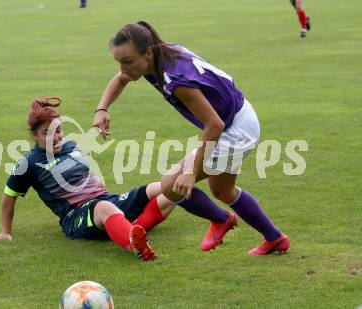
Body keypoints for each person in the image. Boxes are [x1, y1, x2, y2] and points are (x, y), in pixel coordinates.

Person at [93, 21, 290, 255]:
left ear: (147, 52)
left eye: (127, 62)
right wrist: (102, 108)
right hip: (239, 116)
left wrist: (191, 171)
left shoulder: (175, 80)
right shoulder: (156, 57)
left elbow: (214, 125)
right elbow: (121, 79)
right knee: (223, 191)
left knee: (171, 186)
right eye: (119, 63)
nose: (123, 69)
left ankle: (221, 220)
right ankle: (275, 238)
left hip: (233, 130)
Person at [0, 96, 176, 261]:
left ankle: (127, 228)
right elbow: (8, 196)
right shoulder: (27, 163)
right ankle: (135, 244)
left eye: (58, 130)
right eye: (47, 132)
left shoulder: (71, 146)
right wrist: (5, 232)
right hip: (75, 216)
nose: (55, 137)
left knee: (168, 190)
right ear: (35, 136)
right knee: (104, 208)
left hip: (106, 199)